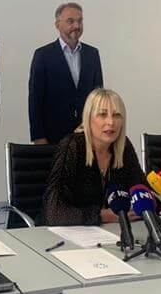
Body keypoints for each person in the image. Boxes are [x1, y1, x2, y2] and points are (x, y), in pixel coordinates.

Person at [43, 88, 145, 226]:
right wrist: (102, 216)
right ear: (88, 118)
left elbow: (141, 191)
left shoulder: (123, 147)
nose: (111, 122)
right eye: (102, 114)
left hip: (112, 231)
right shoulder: (72, 147)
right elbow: (54, 213)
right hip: (70, 233)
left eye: (116, 115)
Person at [29, 2, 103, 144]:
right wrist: (38, 136)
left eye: (80, 21)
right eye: (70, 21)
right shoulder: (43, 55)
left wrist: (99, 130)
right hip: (53, 136)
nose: (76, 26)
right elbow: (35, 100)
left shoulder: (92, 54)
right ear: (57, 25)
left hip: (87, 135)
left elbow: (99, 97)